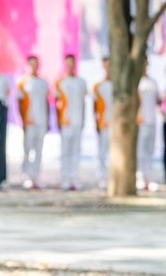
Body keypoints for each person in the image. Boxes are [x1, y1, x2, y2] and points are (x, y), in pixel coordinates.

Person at [55, 54, 88, 190]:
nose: (70, 66)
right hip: (66, 122)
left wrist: (83, 119)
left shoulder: (81, 82)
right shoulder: (60, 83)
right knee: (65, 151)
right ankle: (65, 178)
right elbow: (57, 104)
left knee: (76, 150)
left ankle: (75, 178)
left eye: (72, 63)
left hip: (78, 121)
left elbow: (83, 103)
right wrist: (59, 120)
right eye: (67, 63)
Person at [17, 55, 50, 190]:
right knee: (27, 150)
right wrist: (23, 120)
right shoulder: (22, 82)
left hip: (41, 120)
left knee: (39, 150)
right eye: (31, 64)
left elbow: (46, 102)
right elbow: (19, 103)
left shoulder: (43, 83)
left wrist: (47, 120)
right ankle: (26, 177)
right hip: (29, 121)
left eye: (35, 64)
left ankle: (36, 177)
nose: (33, 67)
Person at [136, 60, 160, 191]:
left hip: (152, 120)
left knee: (150, 150)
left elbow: (158, 100)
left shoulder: (153, 82)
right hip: (141, 120)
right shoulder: (137, 82)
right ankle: (140, 177)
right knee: (140, 150)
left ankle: (148, 178)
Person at [93, 57, 112, 187]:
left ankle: (113, 177)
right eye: (105, 65)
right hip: (103, 124)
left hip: (115, 125)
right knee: (102, 152)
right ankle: (102, 178)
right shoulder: (98, 86)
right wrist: (96, 123)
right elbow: (94, 107)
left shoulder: (118, 86)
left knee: (114, 154)